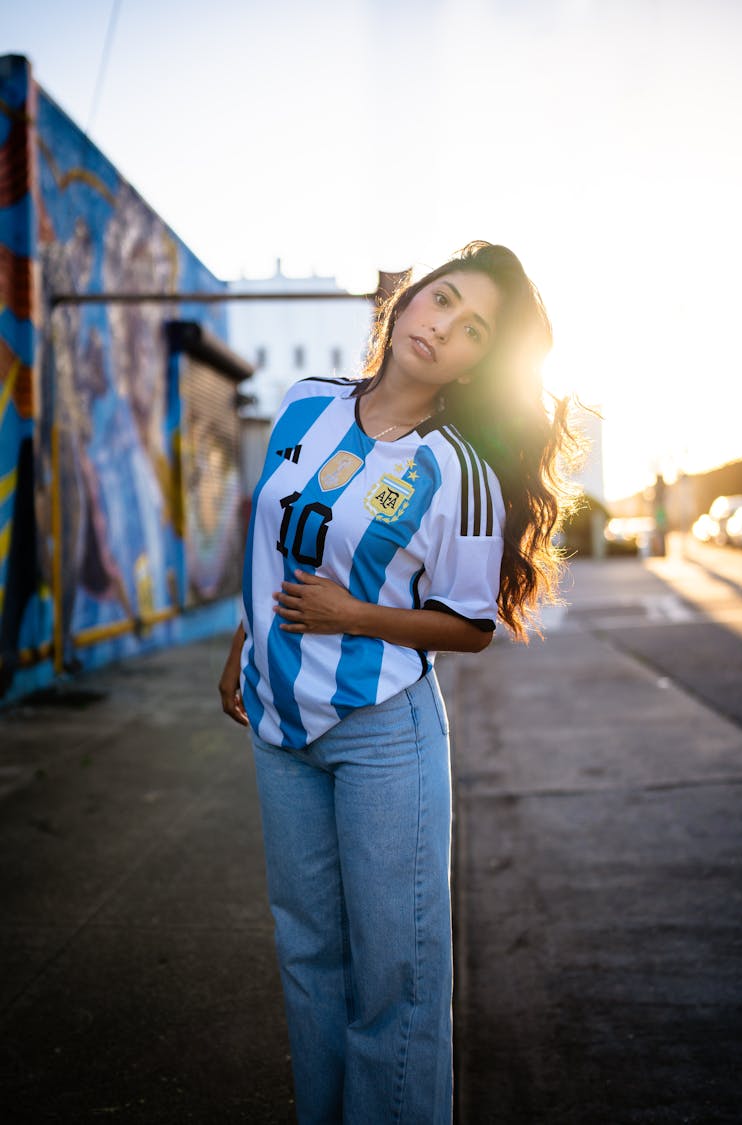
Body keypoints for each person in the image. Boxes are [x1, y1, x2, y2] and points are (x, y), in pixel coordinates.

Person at [219, 240, 581, 1124]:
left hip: (383, 730)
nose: (445, 327)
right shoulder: (305, 407)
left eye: (473, 329)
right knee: (309, 956)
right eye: (442, 300)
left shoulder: (457, 471)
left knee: (397, 979)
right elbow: (277, 542)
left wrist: (355, 616)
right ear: (408, 299)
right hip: (279, 725)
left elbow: (469, 625)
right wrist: (243, 638)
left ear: (477, 362)